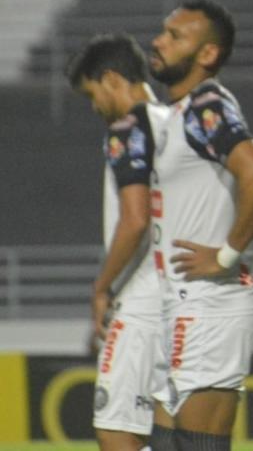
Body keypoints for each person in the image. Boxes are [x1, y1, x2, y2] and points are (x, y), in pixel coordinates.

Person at [145, 0, 253, 451]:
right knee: (167, 445)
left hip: (210, 304)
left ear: (206, 55)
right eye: (163, 31)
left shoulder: (207, 104)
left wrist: (225, 255)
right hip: (184, 304)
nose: (158, 41)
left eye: (175, 36)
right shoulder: (182, 113)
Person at [66, 33, 170, 451]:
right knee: (170, 431)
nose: (94, 107)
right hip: (180, 299)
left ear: (111, 78)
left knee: (115, 430)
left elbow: (135, 219)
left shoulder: (127, 129)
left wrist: (102, 286)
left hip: (141, 299)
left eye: (92, 94)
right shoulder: (177, 124)